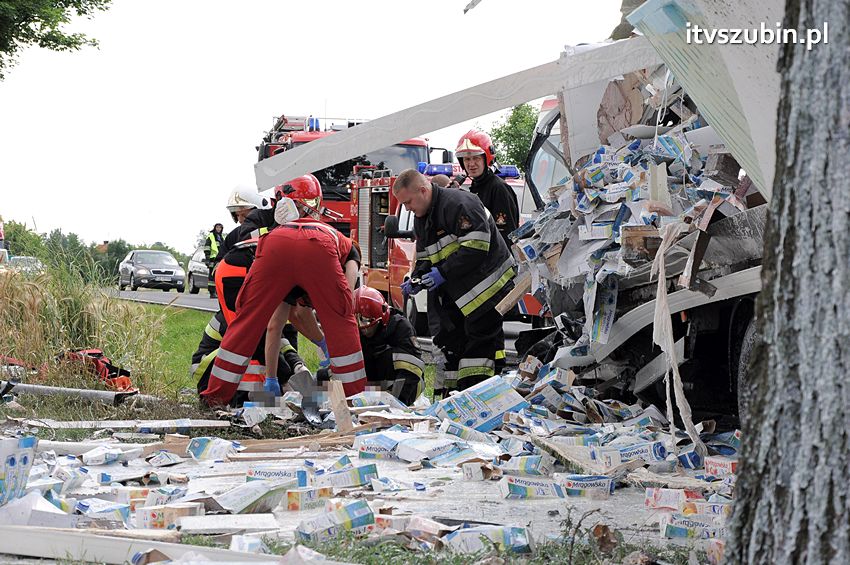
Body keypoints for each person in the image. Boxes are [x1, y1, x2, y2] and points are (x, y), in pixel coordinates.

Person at [202, 175, 366, 407]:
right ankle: (356, 400)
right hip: (313, 247)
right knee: (342, 323)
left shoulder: (274, 232)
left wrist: (271, 377)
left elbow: (274, 325)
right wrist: (343, 305)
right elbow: (351, 262)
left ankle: (214, 398)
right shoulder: (331, 236)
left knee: (244, 326)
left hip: (270, 249)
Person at [393, 169, 516, 397]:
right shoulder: (423, 218)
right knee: (452, 343)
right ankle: (453, 398)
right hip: (462, 289)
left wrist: (442, 273)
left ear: (423, 190)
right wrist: (417, 279)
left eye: (408, 202)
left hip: (489, 285)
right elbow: (425, 256)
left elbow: (477, 247)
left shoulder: (459, 203)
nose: (408, 208)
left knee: (477, 346)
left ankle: (474, 397)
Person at [354, 286, 424, 405]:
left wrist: (396, 404)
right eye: (357, 320)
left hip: (404, 393)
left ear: (381, 318)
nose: (363, 329)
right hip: (369, 394)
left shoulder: (400, 327)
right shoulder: (357, 330)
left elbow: (412, 368)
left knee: (390, 354)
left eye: (366, 321)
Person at [455, 130, 519, 248]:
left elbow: (505, 235)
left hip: (498, 262)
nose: (471, 164)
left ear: (486, 159)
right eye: (467, 159)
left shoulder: (498, 189)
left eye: (476, 158)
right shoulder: (476, 188)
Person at [203, 223, 226, 298]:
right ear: (215, 228)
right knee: (212, 276)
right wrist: (207, 258)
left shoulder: (222, 237)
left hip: (220, 259)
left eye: (220, 227)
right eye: (217, 227)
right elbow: (207, 247)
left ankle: (217, 292)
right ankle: (212, 292)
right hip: (213, 259)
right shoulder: (211, 236)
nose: (218, 229)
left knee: (219, 276)